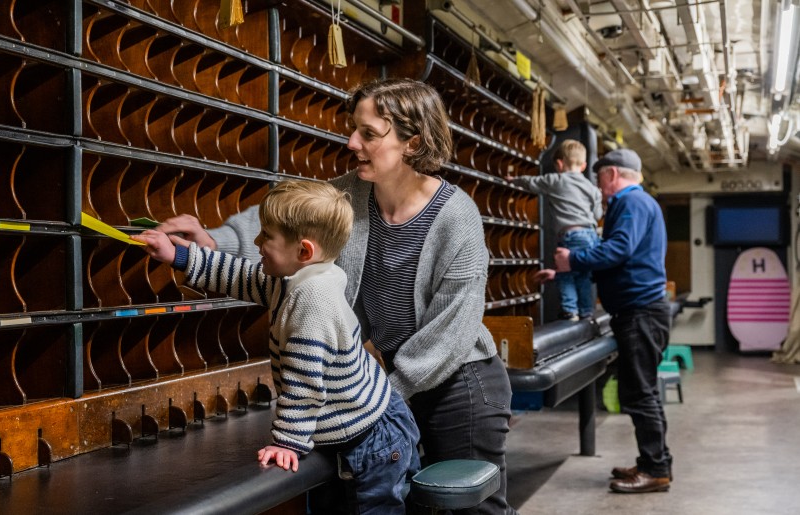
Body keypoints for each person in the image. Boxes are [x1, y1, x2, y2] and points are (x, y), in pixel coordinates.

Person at [155, 78, 517, 515]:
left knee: (473, 510)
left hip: (459, 383)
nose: (351, 142)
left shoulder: (456, 217)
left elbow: (452, 332)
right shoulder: (349, 193)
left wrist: (381, 398)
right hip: (388, 384)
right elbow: (286, 220)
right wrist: (211, 241)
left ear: (411, 142)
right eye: (353, 129)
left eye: (368, 133)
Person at [133, 180, 422, 513]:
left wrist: (288, 443)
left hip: (372, 439)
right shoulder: (297, 278)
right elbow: (240, 276)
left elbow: (306, 386)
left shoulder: (313, 300)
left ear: (303, 251)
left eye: (266, 236)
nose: (256, 242)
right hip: (367, 424)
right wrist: (178, 255)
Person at [537, 148, 672, 493]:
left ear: (612, 174)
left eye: (599, 179)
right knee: (639, 392)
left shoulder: (631, 203)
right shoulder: (640, 204)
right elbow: (622, 260)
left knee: (641, 395)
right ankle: (650, 463)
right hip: (640, 311)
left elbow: (619, 250)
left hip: (641, 313)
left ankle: (656, 470)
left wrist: (575, 259)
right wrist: (562, 271)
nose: (598, 188)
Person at [509, 139, 603, 321]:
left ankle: (570, 311)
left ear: (559, 164)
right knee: (583, 275)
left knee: (565, 273)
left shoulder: (556, 180)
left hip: (570, 235)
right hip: (591, 236)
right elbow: (598, 213)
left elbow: (533, 182)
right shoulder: (592, 188)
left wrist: (514, 180)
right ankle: (586, 312)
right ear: (583, 165)